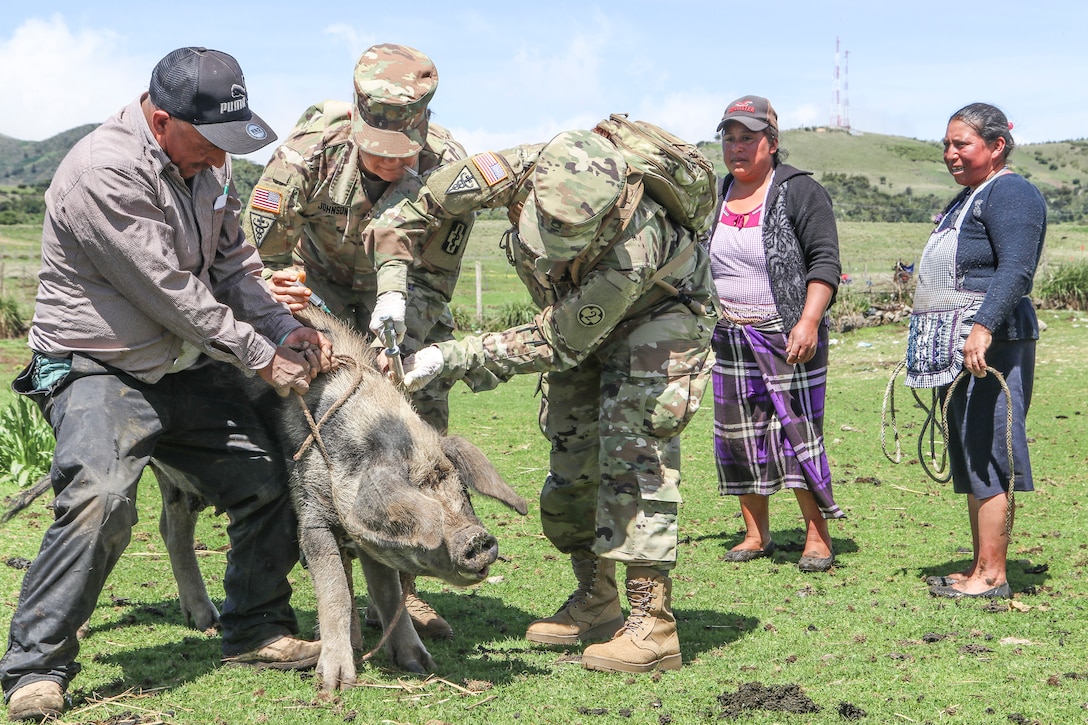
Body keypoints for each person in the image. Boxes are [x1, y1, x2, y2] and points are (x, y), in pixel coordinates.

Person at [0, 47, 334, 723]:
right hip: (100, 364)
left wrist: (280, 326)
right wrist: (262, 357)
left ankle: (255, 625)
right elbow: (172, 293)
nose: (220, 158)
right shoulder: (102, 172)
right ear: (159, 120)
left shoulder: (210, 169)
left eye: (228, 145)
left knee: (269, 478)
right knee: (100, 496)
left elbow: (236, 267)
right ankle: (36, 665)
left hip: (181, 363)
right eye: (209, 142)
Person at [375, 127, 719, 673]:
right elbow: (417, 205)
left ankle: (654, 627)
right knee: (572, 448)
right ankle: (595, 600)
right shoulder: (511, 170)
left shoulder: (635, 245)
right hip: (570, 314)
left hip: (658, 319)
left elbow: (556, 340)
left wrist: (447, 357)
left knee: (634, 449)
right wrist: (392, 284)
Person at [242, 43, 475, 640]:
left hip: (398, 303)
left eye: (403, 156)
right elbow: (263, 245)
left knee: (417, 428)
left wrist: (397, 330)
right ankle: (324, 567)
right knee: (319, 433)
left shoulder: (451, 166)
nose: (389, 165)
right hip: (313, 290)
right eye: (376, 153)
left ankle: (404, 585)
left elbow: (434, 278)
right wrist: (282, 294)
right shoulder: (308, 149)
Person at [915, 103, 1046, 599]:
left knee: (992, 450)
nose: (950, 153)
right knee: (971, 449)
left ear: (995, 146)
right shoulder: (970, 197)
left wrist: (983, 326)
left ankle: (992, 576)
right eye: (946, 144)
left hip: (994, 340)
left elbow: (1015, 269)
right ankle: (979, 566)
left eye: (961, 144)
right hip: (963, 341)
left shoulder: (1011, 193)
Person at [708, 96, 844, 573]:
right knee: (738, 436)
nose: (737, 148)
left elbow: (825, 261)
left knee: (797, 434)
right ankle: (755, 532)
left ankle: (817, 536)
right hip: (729, 335)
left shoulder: (799, 192)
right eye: (730, 138)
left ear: (772, 143)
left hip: (786, 335)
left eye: (748, 138)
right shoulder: (718, 193)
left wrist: (807, 321)